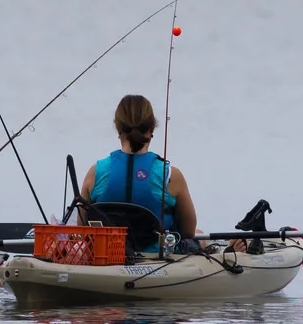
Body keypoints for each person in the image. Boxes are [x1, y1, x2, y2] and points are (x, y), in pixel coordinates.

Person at [78, 94, 245, 254]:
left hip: (107, 254)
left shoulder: (95, 172)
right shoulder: (170, 175)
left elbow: (81, 227)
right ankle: (228, 252)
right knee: (198, 233)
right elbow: (188, 231)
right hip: (156, 256)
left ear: (118, 129)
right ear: (151, 130)